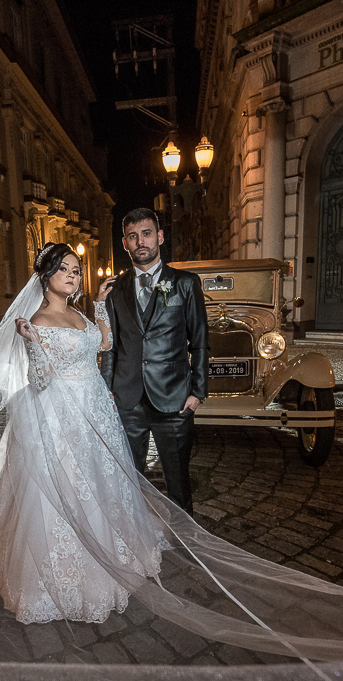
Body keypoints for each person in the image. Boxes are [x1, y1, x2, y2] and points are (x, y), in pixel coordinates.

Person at [0, 242, 167, 624]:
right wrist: (32, 343)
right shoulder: (37, 321)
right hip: (60, 414)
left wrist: (100, 306)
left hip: (95, 409)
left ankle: (111, 553)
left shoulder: (77, 315)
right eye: (64, 270)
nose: (72, 276)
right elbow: (38, 381)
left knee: (102, 481)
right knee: (68, 486)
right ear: (45, 276)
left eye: (75, 270)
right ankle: (64, 577)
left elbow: (102, 343)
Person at [100, 208, 209, 514]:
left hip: (174, 399)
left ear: (159, 237)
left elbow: (199, 341)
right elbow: (111, 347)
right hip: (127, 400)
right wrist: (107, 391)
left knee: (178, 482)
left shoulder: (185, 284)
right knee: (129, 481)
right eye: (133, 236)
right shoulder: (114, 290)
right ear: (125, 243)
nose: (140, 242)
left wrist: (198, 392)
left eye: (146, 234)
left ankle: (186, 545)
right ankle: (134, 542)